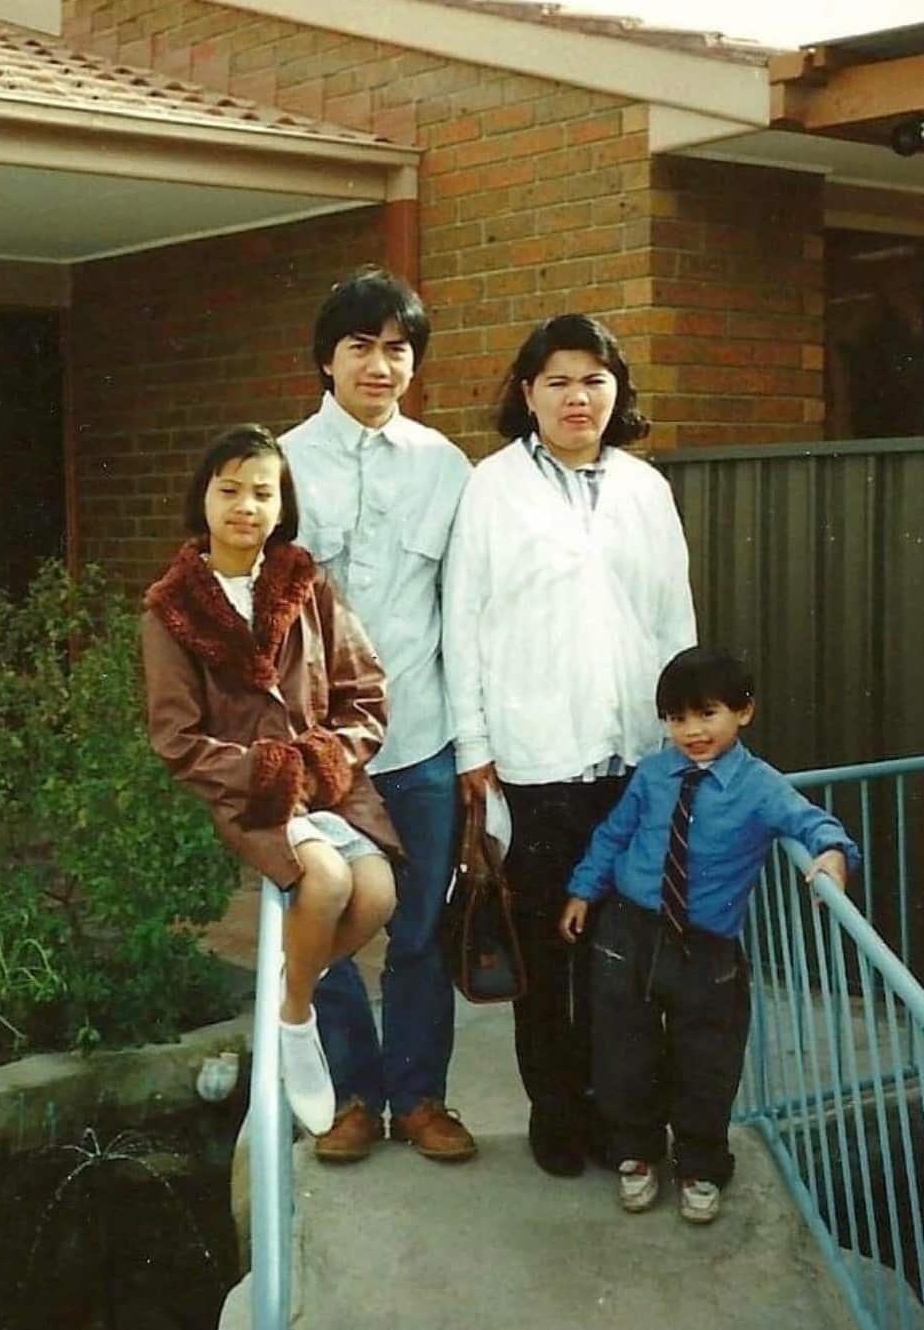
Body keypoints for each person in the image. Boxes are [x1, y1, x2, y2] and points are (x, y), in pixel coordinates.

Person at [443, 312, 696, 1177]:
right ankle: (556, 1111)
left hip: (631, 761)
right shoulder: (491, 486)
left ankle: (617, 1112)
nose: (575, 395)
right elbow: (463, 626)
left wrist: (680, 741)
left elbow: (672, 622)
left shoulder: (643, 488)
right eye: (556, 379)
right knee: (547, 953)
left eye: (592, 377)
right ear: (526, 393)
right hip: (535, 763)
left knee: (621, 961)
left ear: (615, 389)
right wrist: (472, 748)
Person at [141, 424, 400, 1137]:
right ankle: (292, 1024)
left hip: (327, 776)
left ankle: (293, 988)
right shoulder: (170, 607)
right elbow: (176, 739)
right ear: (203, 498)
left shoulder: (306, 582)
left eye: (262, 491)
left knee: (376, 895)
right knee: (326, 883)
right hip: (250, 790)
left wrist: (324, 758)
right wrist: (268, 772)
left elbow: (365, 693)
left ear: (281, 503)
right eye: (229, 489)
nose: (245, 506)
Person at [279, 267, 476, 1163]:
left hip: (421, 740)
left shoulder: (446, 468)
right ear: (326, 359)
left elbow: (465, 610)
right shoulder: (277, 465)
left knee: (420, 929)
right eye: (360, 345)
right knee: (323, 921)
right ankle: (352, 1097)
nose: (379, 364)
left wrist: (474, 748)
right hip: (316, 752)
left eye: (397, 348)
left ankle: (421, 1097)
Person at [560, 646, 860, 1223]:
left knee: (708, 1061)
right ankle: (638, 1153)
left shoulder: (760, 786)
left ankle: (700, 1163)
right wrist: (582, 891)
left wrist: (833, 854)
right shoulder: (652, 774)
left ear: (744, 712)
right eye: (676, 718)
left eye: (708, 713)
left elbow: (812, 822)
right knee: (624, 1051)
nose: (692, 730)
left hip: (708, 948)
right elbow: (614, 835)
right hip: (629, 931)